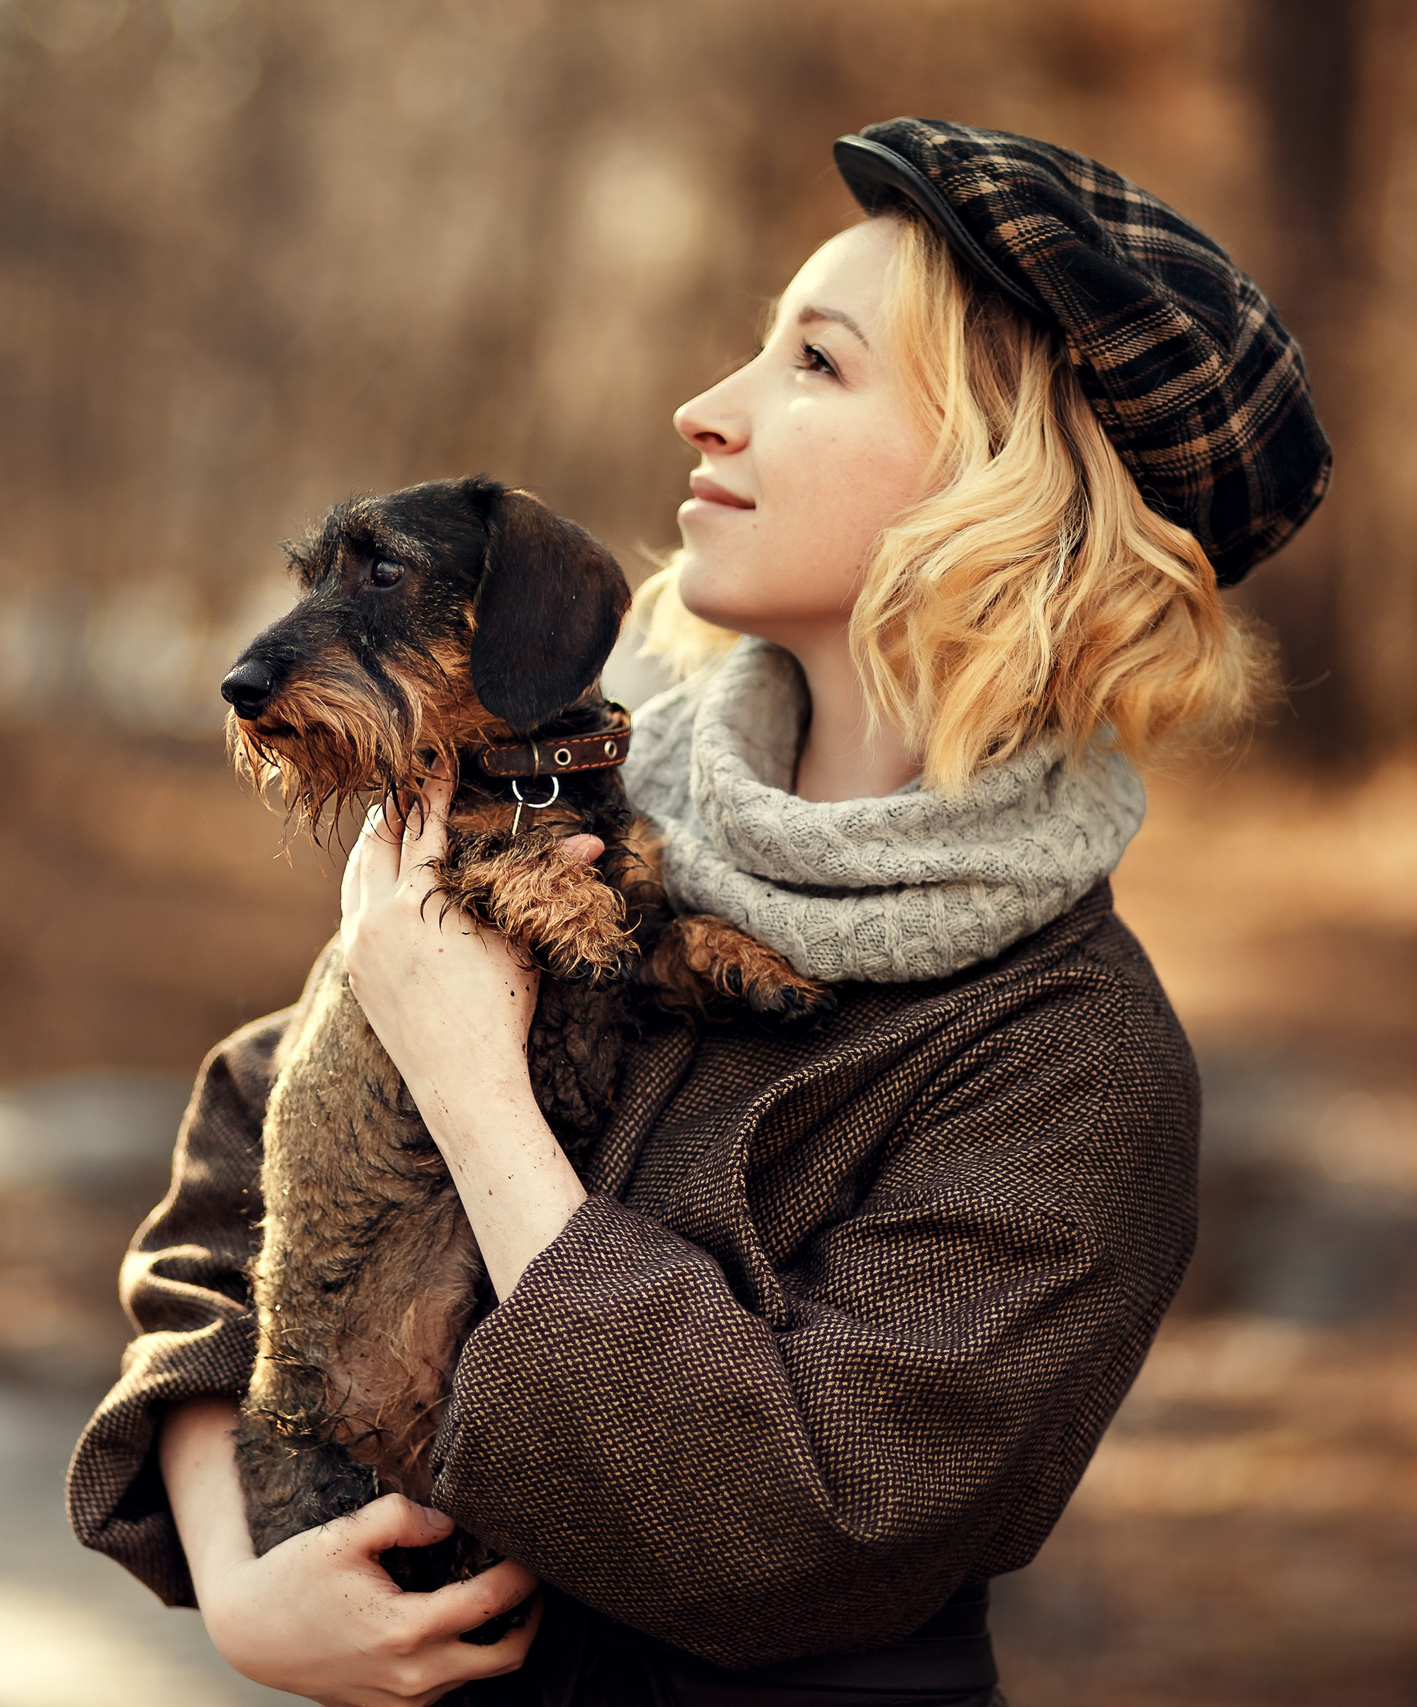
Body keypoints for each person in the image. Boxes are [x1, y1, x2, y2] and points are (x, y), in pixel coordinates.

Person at [66, 118, 1330, 1706]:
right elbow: (244, 1172)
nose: (705, 410)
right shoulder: (568, 816)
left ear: (1003, 491)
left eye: (814, 364)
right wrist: (245, 1575)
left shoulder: (1073, 1067)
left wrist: (479, 1098)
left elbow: (798, 1523)